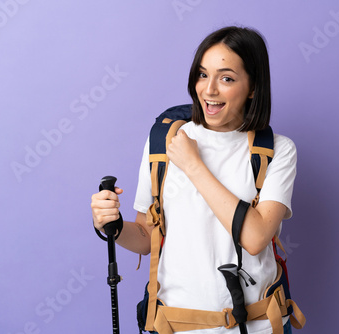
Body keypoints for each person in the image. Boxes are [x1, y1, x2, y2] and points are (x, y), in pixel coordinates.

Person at [91, 26, 298, 334]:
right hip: (177, 325)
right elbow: (147, 239)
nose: (209, 90)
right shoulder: (164, 141)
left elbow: (255, 239)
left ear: (253, 87)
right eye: (203, 75)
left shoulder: (276, 151)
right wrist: (113, 226)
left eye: (226, 78)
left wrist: (194, 166)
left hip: (259, 326)